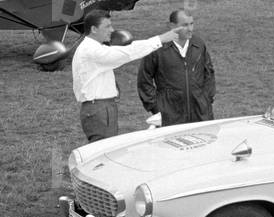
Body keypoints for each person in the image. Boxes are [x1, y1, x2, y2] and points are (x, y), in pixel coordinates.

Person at [72, 10, 183, 143]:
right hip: (99, 109)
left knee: (105, 150)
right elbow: (127, 52)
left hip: (100, 108)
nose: (112, 30)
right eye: (107, 26)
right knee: (103, 152)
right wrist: (160, 39)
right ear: (94, 29)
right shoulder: (91, 51)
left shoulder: (91, 48)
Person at [137, 9, 216, 127]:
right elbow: (144, 79)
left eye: (191, 24)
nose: (190, 29)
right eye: (185, 25)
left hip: (201, 114)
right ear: (171, 26)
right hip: (170, 116)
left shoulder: (199, 44)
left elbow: (209, 73)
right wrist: (156, 108)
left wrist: (206, 99)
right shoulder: (157, 49)